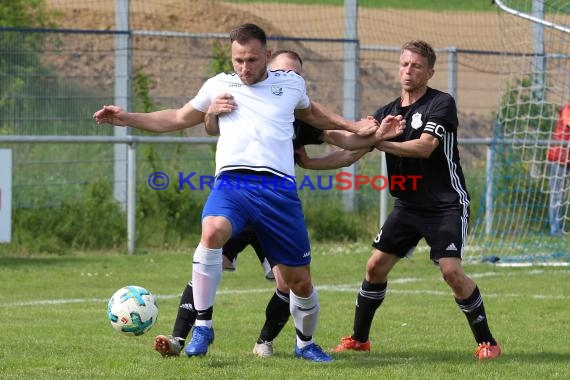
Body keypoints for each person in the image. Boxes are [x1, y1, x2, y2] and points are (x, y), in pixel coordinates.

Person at [94, 23, 403, 362]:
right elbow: (177, 117)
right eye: (238, 60)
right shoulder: (218, 86)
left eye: (252, 60)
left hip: (279, 191)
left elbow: (316, 114)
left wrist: (357, 127)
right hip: (234, 183)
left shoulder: (290, 85)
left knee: (300, 283)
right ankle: (202, 326)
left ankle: (305, 344)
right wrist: (127, 117)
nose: (244, 67)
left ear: (267, 57)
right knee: (211, 231)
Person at [331, 40, 502, 360]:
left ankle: (487, 342)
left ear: (430, 72)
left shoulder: (441, 104)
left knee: (451, 271)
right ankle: (359, 339)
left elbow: (424, 147)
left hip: (446, 205)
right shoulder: (386, 113)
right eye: (404, 64)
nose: (408, 70)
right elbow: (351, 147)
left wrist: (380, 142)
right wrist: (314, 144)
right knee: (374, 267)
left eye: (416, 66)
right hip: (407, 206)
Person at [546, 103, 570, 236]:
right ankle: (555, 230)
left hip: (567, 160)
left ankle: (558, 229)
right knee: (557, 195)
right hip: (558, 159)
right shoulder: (568, 109)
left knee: (561, 196)